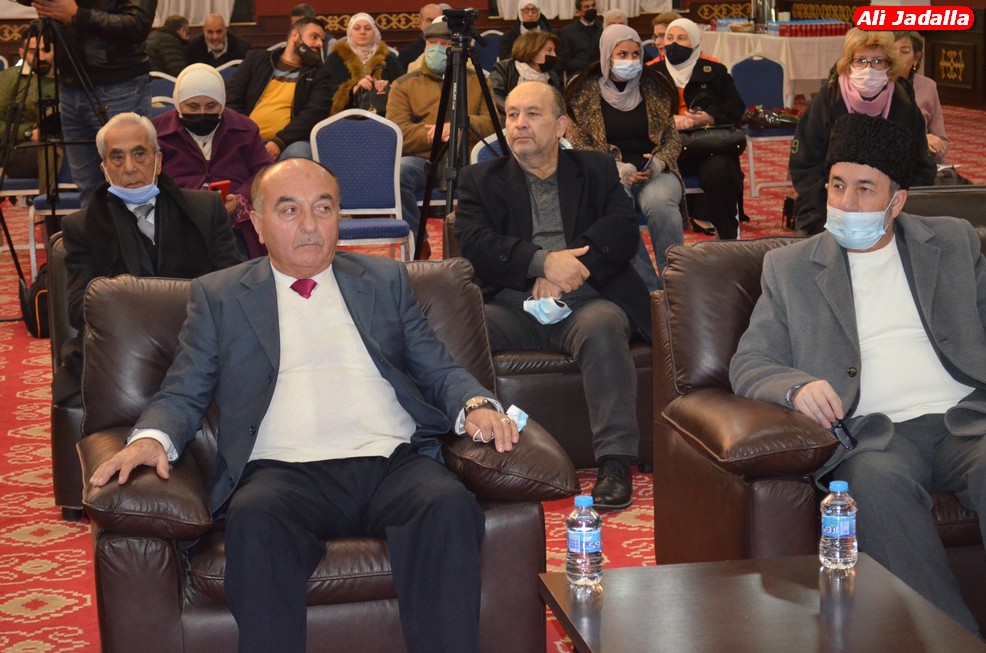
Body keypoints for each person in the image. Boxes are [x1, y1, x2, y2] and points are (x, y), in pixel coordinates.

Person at [88, 156, 523, 653]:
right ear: (257, 222)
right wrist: (152, 438)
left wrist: (475, 403)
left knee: (448, 506)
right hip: (281, 473)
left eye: (324, 208)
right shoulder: (220, 296)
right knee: (255, 523)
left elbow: (437, 367)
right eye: (289, 210)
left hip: (391, 464)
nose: (310, 225)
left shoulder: (385, 281)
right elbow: (185, 389)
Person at [730, 112, 986, 636]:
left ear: (897, 201)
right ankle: (953, 641)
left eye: (865, 189)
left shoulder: (953, 242)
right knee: (872, 486)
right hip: (877, 436)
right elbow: (749, 362)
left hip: (967, 422)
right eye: (837, 185)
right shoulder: (791, 268)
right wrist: (797, 387)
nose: (846, 203)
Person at [455, 81, 651, 510]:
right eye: (512, 115)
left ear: (561, 125)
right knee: (458, 330)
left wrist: (566, 271)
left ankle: (615, 460)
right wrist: (541, 264)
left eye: (532, 114)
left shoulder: (596, 169)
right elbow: (474, 244)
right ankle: (465, 450)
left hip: (587, 301)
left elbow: (621, 231)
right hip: (512, 305)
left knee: (604, 326)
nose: (519, 124)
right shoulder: (479, 180)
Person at [54, 112, 242, 405]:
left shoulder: (205, 210)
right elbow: (80, 308)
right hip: (123, 348)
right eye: (117, 157)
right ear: (104, 169)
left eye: (139, 154)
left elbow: (233, 289)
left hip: (200, 341)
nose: (129, 168)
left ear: (158, 160)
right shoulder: (81, 227)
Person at [566, 24, 683, 283]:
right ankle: (648, 287)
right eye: (622, 54)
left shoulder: (655, 86)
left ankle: (675, 281)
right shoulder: (582, 91)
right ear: (606, 55)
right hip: (609, 174)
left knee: (661, 205)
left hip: (655, 171)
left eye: (635, 54)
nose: (630, 61)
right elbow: (578, 144)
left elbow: (672, 139)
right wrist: (616, 167)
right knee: (618, 212)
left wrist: (658, 163)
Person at [789, 28, 936, 236]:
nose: (869, 69)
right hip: (827, 208)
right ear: (848, 64)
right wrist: (839, 206)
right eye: (860, 61)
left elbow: (922, 168)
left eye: (878, 61)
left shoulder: (904, 105)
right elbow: (804, 166)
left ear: (889, 65)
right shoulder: (828, 101)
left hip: (890, 209)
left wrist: (892, 206)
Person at [387, 19, 495, 256]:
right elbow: (397, 131)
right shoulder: (404, 84)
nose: (436, 48)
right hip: (425, 159)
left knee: (496, 175)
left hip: (466, 157)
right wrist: (435, 133)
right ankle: (418, 241)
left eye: (444, 44)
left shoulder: (477, 80)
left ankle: (483, 245)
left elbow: (492, 124)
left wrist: (459, 126)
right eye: (431, 43)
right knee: (399, 173)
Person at [32, 0, 155, 207]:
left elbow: (138, 24)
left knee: (131, 178)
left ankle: (136, 229)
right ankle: (95, 229)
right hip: (71, 86)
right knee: (87, 185)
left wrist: (77, 15)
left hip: (119, 82)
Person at [152, 63, 272, 259]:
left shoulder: (245, 128)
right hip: (178, 226)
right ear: (178, 103)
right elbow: (147, 179)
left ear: (222, 103)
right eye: (192, 107)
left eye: (211, 106)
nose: (202, 113)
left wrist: (240, 200)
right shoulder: (156, 132)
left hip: (235, 227)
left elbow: (264, 172)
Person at [649, 17, 746, 240]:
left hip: (707, 147)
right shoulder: (651, 74)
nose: (674, 44)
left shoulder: (715, 71)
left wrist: (708, 117)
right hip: (665, 151)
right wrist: (669, 120)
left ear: (694, 42)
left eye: (682, 38)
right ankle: (671, 248)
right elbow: (639, 113)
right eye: (670, 38)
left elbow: (736, 107)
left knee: (721, 170)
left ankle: (727, 239)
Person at [225, 17, 329, 161]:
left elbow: (314, 114)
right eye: (314, 37)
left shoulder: (320, 74)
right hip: (247, 136)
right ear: (295, 35)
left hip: (290, 142)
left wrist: (280, 141)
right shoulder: (257, 60)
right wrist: (247, 133)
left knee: (298, 157)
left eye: (322, 40)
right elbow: (231, 98)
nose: (320, 44)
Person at [0, 27, 56, 179]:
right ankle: (49, 195)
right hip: (20, 148)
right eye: (33, 52)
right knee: (50, 150)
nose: (41, 57)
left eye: (46, 50)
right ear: (22, 53)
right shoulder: (9, 80)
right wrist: (28, 133)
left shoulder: (68, 80)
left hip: (66, 142)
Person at [323, 13, 402, 117]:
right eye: (357, 28)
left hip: (384, 117)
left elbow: (403, 88)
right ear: (350, 32)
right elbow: (325, 92)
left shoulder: (388, 57)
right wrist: (353, 89)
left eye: (368, 28)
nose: (362, 32)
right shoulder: (335, 58)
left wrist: (388, 87)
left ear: (375, 32)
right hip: (345, 118)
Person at [894, 30, 948, 163]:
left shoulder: (928, 87)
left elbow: (941, 139)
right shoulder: (875, 86)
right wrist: (921, 142)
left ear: (916, 58)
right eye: (891, 50)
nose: (896, 56)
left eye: (904, 51)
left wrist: (935, 148)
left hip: (921, 162)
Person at [489, 30, 563, 116]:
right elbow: (494, 96)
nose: (554, 55)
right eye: (549, 50)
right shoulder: (505, 68)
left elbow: (559, 106)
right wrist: (517, 113)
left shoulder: (553, 77)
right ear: (533, 51)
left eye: (554, 50)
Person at [557, 0, 602, 81]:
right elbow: (565, 60)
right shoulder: (567, 32)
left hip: (600, 75)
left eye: (593, 6)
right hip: (577, 77)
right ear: (578, 11)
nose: (591, 9)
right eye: (587, 7)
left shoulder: (603, 28)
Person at [185, 13, 251, 68]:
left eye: (219, 32)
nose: (215, 37)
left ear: (225, 30)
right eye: (210, 32)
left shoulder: (242, 48)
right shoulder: (192, 47)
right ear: (204, 31)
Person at [398, 3, 444, 73]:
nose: (434, 24)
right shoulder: (407, 53)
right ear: (420, 24)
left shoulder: (452, 49)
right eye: (429, 20)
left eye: (438, 20)